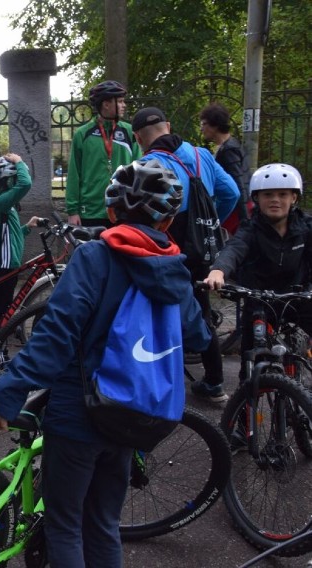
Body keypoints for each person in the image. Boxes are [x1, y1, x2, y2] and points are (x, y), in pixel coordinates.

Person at [0, 159, 211, 568]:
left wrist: (8, 391)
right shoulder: (174, 266)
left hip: (80, 412)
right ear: (170, 219)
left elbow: (57, 332)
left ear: (111, 212)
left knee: (65, 525)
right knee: (102, 523)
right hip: (135, 414)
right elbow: (198, 336)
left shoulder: (95, 257)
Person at [133, 106, 240, 402]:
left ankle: (161, 384)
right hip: (205, 246)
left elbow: (141, 212)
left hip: (170, 247)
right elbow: (231, 192)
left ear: (139, 137)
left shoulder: (147, 163)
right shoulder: (201, 155)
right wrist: (211, 221)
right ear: (168, 125)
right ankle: (215, 382)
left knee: (162, 309)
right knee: (201, 310)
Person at [204, 163, 312, 362]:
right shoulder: (250, 229)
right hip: (260, 302)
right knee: (250, 361)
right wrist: (218, 271)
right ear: (257, 198)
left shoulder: (306, 228)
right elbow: (234, 249)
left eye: (282, 194)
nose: (275, 200)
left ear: (294, 197)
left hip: (299, 298)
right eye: (268, 194)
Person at [66, 80, 141, 228]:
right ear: (106, 104)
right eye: (119, 101)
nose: (124, 105)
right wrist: (72, 211)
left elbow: (139, 169)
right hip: (91, 211)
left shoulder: (129, 132)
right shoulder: (83, 134)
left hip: (123, 209)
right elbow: (74, 174)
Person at [0, 153, 40, 329]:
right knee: (1, 308)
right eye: (13, 178)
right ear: (6, 180)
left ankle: (1, 335)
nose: (16, 181)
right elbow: (26, 184)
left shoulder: (5, 205)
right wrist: (19, 162)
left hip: (8, 263)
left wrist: (27, 227)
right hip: (3, 265)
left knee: (5, 305)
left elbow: (10, 235)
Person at [199, 102, 251, 234]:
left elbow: (239, 183)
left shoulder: (229, 150)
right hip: (237, 207)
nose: (201, 129)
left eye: (204, 124)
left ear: (215, 125)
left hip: (236, 210)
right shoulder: (229, 145)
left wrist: (245, 219)